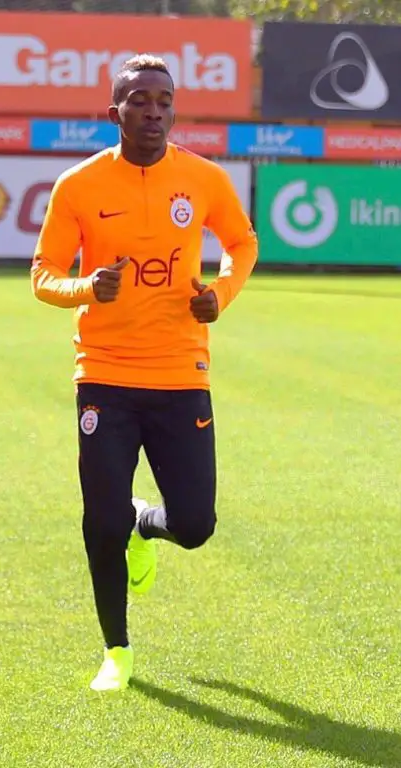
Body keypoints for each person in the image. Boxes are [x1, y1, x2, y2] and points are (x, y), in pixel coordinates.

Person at [30, 54, 258, 693]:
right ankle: (117, 651)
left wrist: (221, 294)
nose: (153, 111)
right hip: (104, 373)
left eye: (164, 100)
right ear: (115, 112)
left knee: (196, 525)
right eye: (139, 100)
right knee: (100, 520)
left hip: (181, 373)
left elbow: (242, 243)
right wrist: (86, 288)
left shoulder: (204, 178)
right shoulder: (78, 185)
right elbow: (43, 275)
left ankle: (145, 523)